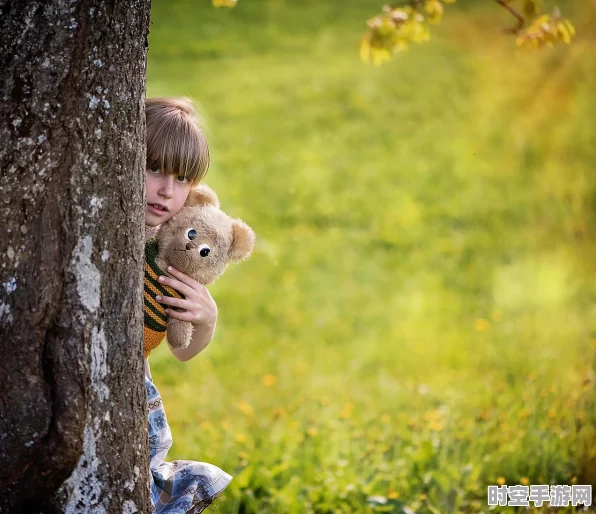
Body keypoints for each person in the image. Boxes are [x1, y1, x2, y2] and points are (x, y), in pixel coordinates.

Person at [143, 97, 232, 513]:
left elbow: (181, 351)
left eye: (182, 179)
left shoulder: (173, 245)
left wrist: (207, 323)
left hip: (135, 396)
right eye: (154, 168)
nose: (166, 189)